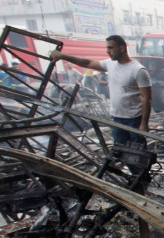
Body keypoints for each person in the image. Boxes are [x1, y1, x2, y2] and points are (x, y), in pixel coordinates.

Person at [49, 35, 152, 177]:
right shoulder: (110, 65)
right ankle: (137, 178)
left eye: (110, 47)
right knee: (122, 152)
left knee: (138, 154)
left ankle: (144, 179)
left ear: (121, 48)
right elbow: (88, 62)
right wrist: (62, 56)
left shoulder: (138, 70)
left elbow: (147, 98)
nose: (107, 51)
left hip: (134, 119)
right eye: (107, 48)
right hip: (117, 118)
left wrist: (144, 124)